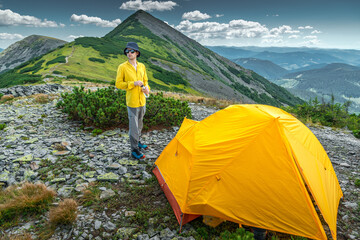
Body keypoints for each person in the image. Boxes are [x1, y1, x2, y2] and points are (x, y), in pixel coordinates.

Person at [115, 42, 150, 159]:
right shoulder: (122, 67)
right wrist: (133, 83)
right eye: (127, 51)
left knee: (140, 124)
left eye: (131, 51)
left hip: (142, 101)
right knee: (134, 127)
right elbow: (118, 84)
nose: (129, 53)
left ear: (137, 53)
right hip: (132, 102)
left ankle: (138, 142)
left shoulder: (142, 66)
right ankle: (134, 150)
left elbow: (146, 81)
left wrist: (147, 89)